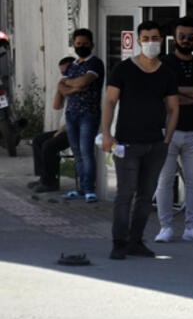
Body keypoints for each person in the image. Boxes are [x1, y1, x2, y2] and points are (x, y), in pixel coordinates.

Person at [101, 20, 179, 260]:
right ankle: (119, 242)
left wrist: (167, 138)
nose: (150, 43)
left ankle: (135, 241)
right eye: (145, 38)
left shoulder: (166, 72)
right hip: (127, 144)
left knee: (146, 196)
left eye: (154, 38)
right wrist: (106, 132)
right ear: (138, 40)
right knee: (125, 193)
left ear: (161, 40)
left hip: (156, 144)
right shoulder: (123, 69)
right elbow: (110, 101)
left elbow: (173, 108)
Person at [154, 17, 193, 244]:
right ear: (174, 38)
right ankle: (165, 227)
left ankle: (192, 227)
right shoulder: (164, 63)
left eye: (191, 36)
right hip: (168, 131)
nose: (187, 40)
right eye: (182, 36)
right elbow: (163, 96)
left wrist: (178, 93)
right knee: (165, 180)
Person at [57, 28, 105, 203]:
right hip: (71, 113)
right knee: (76, 153)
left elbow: (85, 81)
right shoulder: (73, 65)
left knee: (86, 152)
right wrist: (75, 86)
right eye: (78, 44)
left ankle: (89, 189)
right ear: (73, 45)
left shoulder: (95, 64)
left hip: (88, 114)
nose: (81, 46)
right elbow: (61, 87)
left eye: (85, 44)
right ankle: (80, 188)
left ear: (92, 44)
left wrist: (72, 85)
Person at [28, 57, 74, 193]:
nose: (65, 75)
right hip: (64, 128)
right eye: (63, 73)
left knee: (49, 146)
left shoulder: (79, 85)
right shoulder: (66, 84)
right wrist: (60, 88)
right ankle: (43, 177)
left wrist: (64, 128)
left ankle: (50, 182)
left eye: (67, 72)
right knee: (38, 140)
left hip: (73, 129)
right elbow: (57, 106)